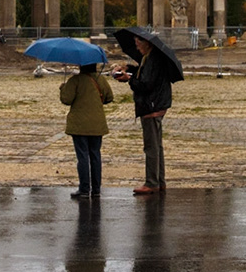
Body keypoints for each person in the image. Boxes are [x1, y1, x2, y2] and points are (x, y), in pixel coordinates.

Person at [115, 35, 173, 195]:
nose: (137, 47)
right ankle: (159, 181)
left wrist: (129, 80)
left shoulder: (153, 59)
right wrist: (129, 68)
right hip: (156, 104)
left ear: (146, 44)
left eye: (138, 44)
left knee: (151, 147)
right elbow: (144, 73)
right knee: (157, 146)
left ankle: (152, 182)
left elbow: (146, 84)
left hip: (151, 106)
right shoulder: (150, 57)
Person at [60, 62, 113, 199]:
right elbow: (109, 97)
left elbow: (66, 99)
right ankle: (96, 189)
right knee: (95, 156)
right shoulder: (100, 79)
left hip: (79, 126)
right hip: (97, 124)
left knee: (82, 157)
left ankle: (84, 189)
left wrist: (63, 88)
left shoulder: (75, 80)